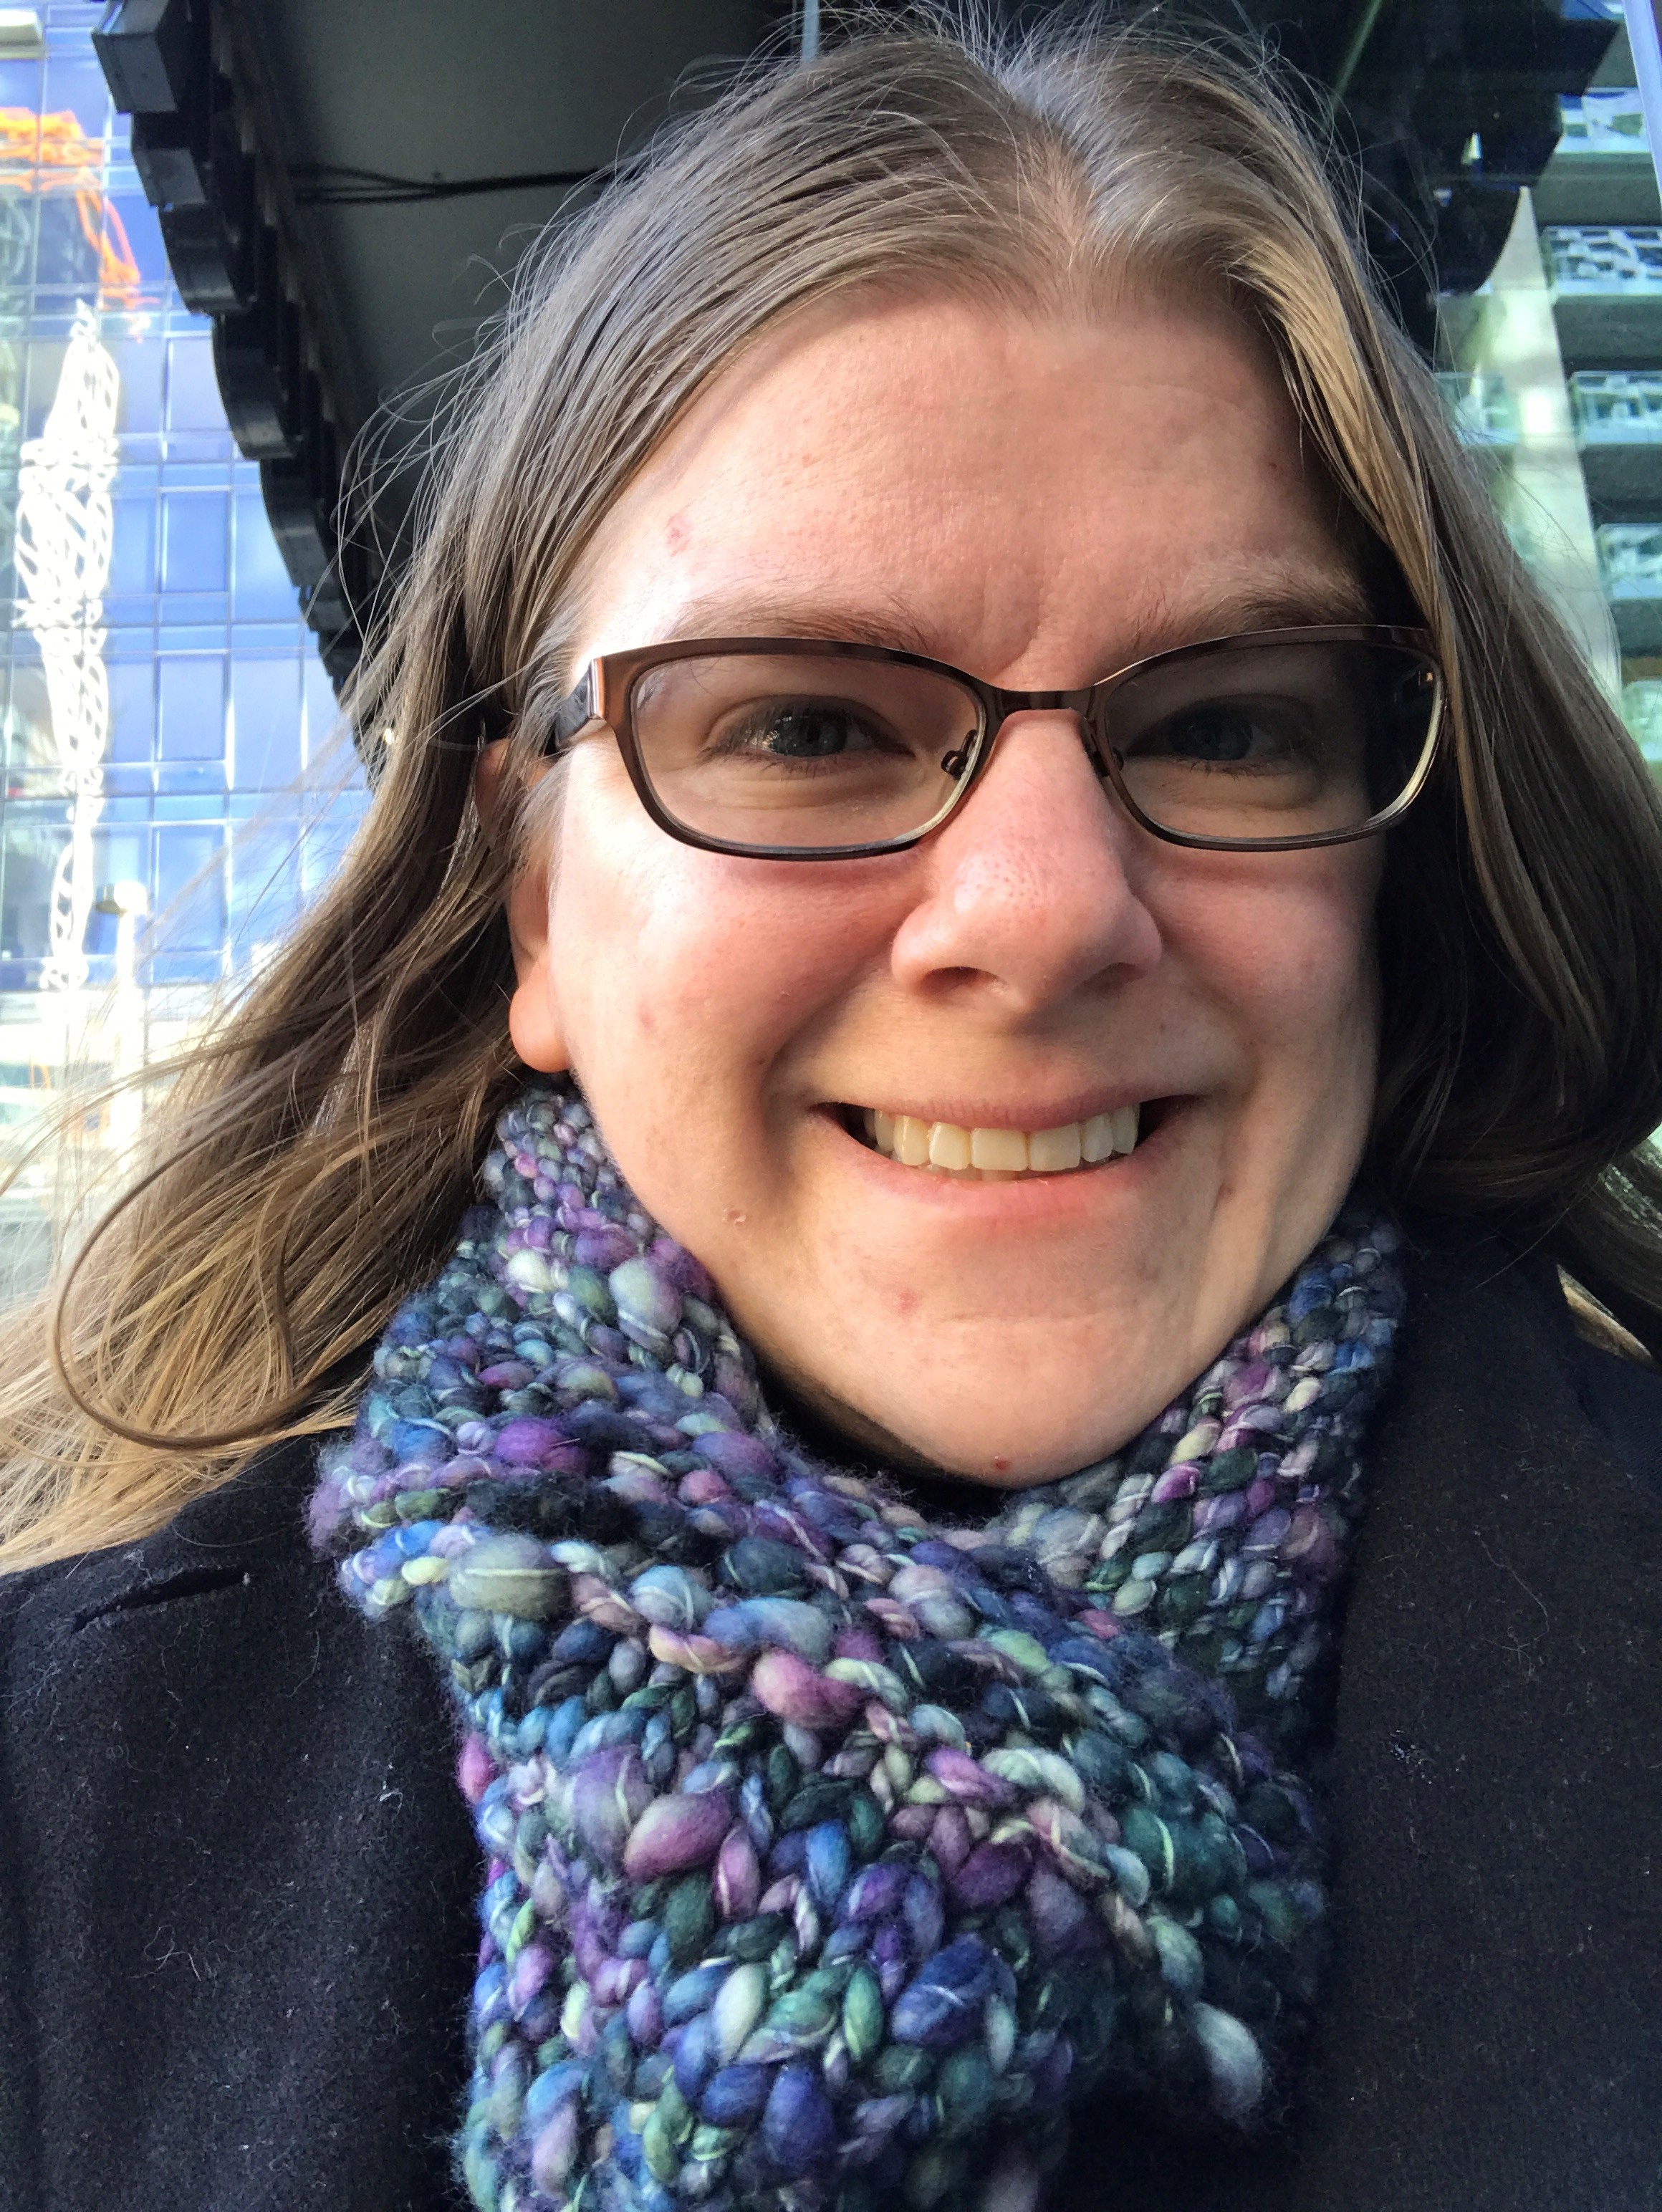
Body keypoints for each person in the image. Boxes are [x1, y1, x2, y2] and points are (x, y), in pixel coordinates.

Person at [1, 15, 1659, 2212]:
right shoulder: (57, 1809)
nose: (1042, 916)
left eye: (1229, 725)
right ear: (534, 909)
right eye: (800, 725)